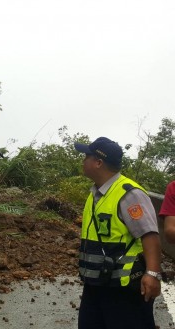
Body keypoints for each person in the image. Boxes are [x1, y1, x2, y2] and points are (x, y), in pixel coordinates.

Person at [74, 137, 162, 329]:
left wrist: (153, 274)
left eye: (86, 156)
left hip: (124, 289)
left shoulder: (129, 194)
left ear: (98, 162)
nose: (83, 161)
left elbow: (150, 235)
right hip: (96, 285)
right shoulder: (95, 194)